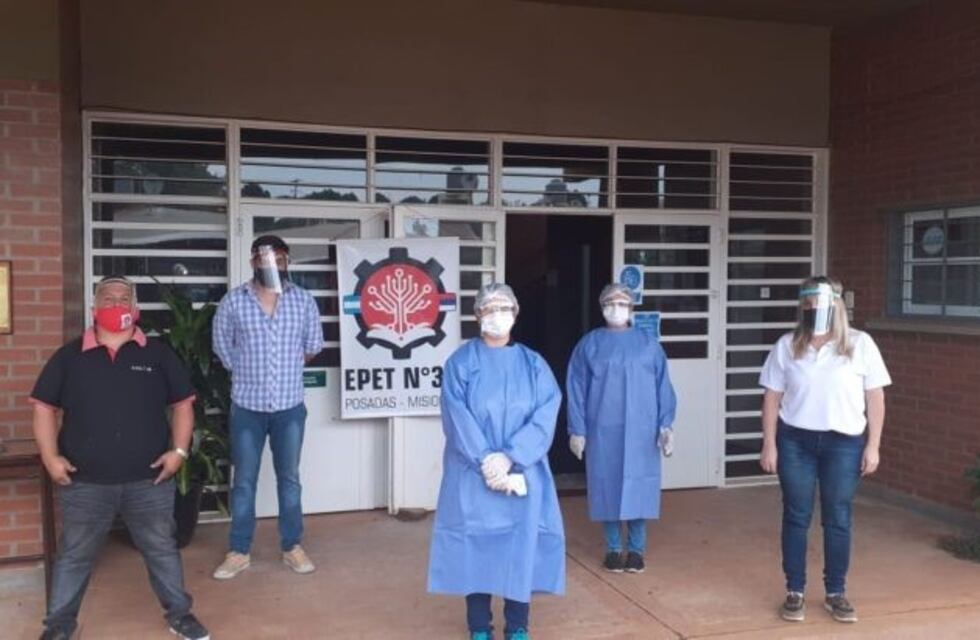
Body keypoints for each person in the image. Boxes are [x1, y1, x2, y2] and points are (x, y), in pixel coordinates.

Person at [29, 276, 209, 640]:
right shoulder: (70, 355)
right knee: (75, 556)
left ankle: (179, 615)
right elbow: (44, 407)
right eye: (107, 297)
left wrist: (178, 452)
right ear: (94, 308)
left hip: (149, 480)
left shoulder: (158, 354)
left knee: (160, 549)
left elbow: (183, 406)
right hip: (84, 481)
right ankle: (59, 626)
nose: (115, 303)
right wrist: (50, 457)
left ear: (135, 309)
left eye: (123, 298)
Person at [428, 283, 565, 640]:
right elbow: (457, 416)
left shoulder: (533, 365)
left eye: (504, 308)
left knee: (520, 549)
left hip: (523, 473)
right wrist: (486, 459)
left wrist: (511, 456)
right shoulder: (461, 363)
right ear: (477, 315)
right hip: (473, 476)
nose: (497, 315)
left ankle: (517, 626)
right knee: (476, 550)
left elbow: (545, 413)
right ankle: (479, 627)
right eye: (489, 309)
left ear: (515, 315)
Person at [759, 276, 891, 624]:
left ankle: (836, 592)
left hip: (843, 443)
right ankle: (795, 590)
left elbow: (875, 396)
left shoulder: (860, 344)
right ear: (803, 305)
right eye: (809, 300)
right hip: (796, 441)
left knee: (838, 518)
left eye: (822, 299)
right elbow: (772, 396)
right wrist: (769, 443)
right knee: (796, 516)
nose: (815, 306)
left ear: (836, 304)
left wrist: (873, 445)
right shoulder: (788, 345)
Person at [211, 235, 324, 579]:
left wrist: (283, 366)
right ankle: (239, 551)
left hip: (289, 407)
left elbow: (313, 345)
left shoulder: (303, 301)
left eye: (280, 257)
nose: (273, 263)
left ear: (288, 261)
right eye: (266, 257)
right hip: (247, 407)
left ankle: (292, 546)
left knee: (289, 478)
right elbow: (223, 349)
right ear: (253, 261)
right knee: (244, 481)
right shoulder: (233, 302)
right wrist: (251, 370)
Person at [566, 283, 676, 574]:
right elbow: (576, 387)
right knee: (608, 487)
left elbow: (662, 385)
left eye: (622, 302)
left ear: (632, 307)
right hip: (602, 428)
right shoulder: (589, 345)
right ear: (602, 306)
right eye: (611, 302)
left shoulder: (648, 344)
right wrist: (577, 428)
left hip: (642, 429)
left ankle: (637, 551)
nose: (617, 308)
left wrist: (666, 425)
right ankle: (613, 549)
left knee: (638, 487)